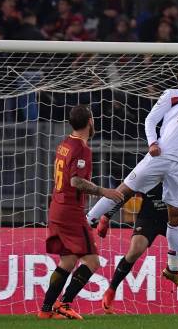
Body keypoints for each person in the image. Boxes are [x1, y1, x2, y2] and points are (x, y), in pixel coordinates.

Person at [86, 63, 178, 292]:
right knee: (123, 191)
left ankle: (173, 269)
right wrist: (152, 143)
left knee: (176, 218)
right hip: (161, 155)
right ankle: (87, 220)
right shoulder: (173, 95)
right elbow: (150, 120)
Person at [38, 105, 124, 320]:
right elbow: (75, 181)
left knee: (67, 261)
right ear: (90, 122)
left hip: (56, 208)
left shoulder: (64, 144)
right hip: (70, 212)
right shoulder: (81, 148)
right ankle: (64, 304)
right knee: (93, 261)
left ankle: (46, 310)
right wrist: (104, 191)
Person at [101, 183, 178, 314]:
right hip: (149, 218)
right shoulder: (147, 169)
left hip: (177, 217)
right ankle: (110, 291)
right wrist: (107, 217)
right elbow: (125, 193)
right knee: (135, 250)